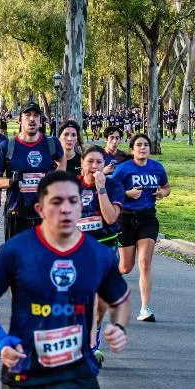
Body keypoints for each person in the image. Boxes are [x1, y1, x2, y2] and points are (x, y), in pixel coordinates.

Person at [0, 171, 131, 389]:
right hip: (26, 375)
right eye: (56, 201)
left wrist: (118, 325)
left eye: (72, 201)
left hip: (76, 376)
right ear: (40, 208)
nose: (66, 208)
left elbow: (121, 299)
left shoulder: (98, 255)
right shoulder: (16, 251)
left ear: (81, 205)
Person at [112, 133, 170, 322]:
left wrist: (162, 193)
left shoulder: (157, 168)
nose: (143, 148)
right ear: (132, 149)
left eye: (146, 145)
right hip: (126, 218)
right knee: (126, 267)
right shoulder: (124, 169)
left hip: (147, 217)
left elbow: (167, 187)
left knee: (145, 263)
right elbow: (110, 189)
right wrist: (127, 193)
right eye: (139, 145)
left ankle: (145, 308)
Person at [0, 101, 66, 241]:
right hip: (16, 214)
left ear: (41, 121)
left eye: (36, 115)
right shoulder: (6, 146)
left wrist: (54, 179)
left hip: (45, 215)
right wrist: (10, 181)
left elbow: (62, 160)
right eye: (27, 115)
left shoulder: (51, 143)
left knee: (44, 260)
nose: (32, 119)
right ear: (19, 119)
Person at [78, 146, 126, 365]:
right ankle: (87, 346)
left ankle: (93, 331)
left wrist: (101, 189)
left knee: (101, 301)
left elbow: (110, 218)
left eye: (99, 162)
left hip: (106, 248)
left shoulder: (114, 185)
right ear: (82, 163)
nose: (94, 166)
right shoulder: (72, 186)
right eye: (90, 162)